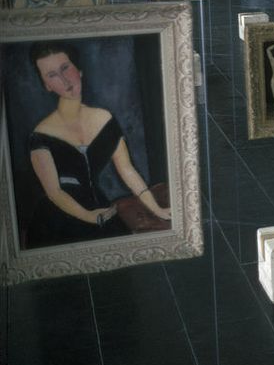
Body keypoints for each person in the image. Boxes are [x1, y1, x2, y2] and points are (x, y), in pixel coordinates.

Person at [25, 42, 170, 248]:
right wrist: (90, 217)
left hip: (100, 210)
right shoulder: (40, 135)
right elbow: (54, 192)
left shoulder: (105, 120)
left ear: (79, 70)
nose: (65, 80)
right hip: (57, 219)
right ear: (47, 85)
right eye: (52, 75)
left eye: (65, 68)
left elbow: (128, 171)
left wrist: (157, 210)